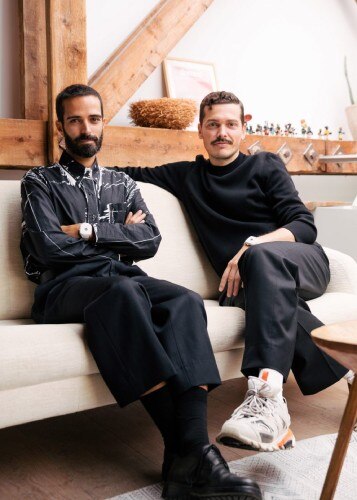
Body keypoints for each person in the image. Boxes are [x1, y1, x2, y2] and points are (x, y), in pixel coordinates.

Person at [20, 84, 262, 500]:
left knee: (185, 299)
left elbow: (149, 240)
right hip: (63, 287)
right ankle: (194, 455)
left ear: (102, 123)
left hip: (120, 279)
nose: (85, 128)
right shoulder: (38, 181)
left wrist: (88, 230)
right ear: (61, 127)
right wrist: (120, 235)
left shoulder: (123, 183)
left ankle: (185, 459)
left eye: (93, 119)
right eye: (75, 120)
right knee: (124, 293)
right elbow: (47, 246)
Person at [117, 90, 355, 453]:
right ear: (200, 130)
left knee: (260, 260)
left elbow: (304, 224)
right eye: (213, 125)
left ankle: (266, 401)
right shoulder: (186, 176)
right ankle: (313, 391)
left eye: (230, 124)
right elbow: (123, 175)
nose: (222, 132)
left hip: (302, 263)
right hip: (246, 286)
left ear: (244, 128)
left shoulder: (265, 166)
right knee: (267, 299)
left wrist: (251, 246)